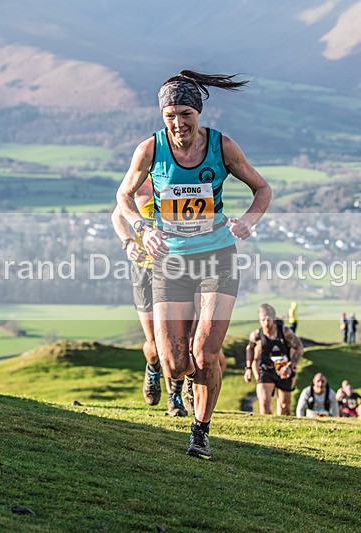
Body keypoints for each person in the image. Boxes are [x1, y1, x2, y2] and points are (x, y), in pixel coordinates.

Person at [116, 70, 272, 458]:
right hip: (169, 262)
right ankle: (178, 381)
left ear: (198, 113)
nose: (178, 123)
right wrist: (141, 228)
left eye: (185, 113)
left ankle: (200, 431)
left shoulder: (222, 147)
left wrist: (248, 221)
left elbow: (262, 188)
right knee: (174, 363)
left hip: (217, 257)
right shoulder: (149, 150)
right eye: (170, 115)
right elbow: (124, 195)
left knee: (204, 355)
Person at [111, 180, 187, 417]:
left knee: (177, 341)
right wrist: (127, 243)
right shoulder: (136, 189)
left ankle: (175, 397)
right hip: (144, 270)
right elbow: (117, 216)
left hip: (176, 270)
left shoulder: (179, 183)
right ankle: (152, 366)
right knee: (155, 344)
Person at [244, 303, 303, 416]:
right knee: (264, 403)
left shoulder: (285, 332)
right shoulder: (256, 335)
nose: (266, 323)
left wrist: (290, 366)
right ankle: (266, 430)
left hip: (284, 370)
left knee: (285, 407)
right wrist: (248, 368)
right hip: (267, 369)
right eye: (263, 320)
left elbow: (299, 347)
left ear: (274, 319)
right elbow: (249, 348)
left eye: (268, 319)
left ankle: (284, 430)